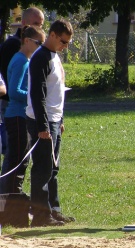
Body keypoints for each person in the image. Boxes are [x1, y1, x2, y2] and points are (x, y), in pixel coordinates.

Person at [26, 20, 75, 227]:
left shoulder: (54, 56)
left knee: (53, 169)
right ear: (53, 35)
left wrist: (59, 120)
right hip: (41, 121)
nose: (65, 46)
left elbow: (57, 93)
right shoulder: (41, 58)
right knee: (43, 169)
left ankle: (53, 209)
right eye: (63, 41)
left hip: (54, 120)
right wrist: (43, 127)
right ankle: (40, 216)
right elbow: (38, 95)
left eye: (68, 43)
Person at [0, 26, 46, 194]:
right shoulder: (20, 61)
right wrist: (34, 95)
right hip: (17, 116)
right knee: (18, 160)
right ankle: (12, 199)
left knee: (20, 158)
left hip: (20, 115)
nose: (40, 47)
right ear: (27, 41)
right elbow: (13, 91)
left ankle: (13, 196)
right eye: (38, 43)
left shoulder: (24, 60)